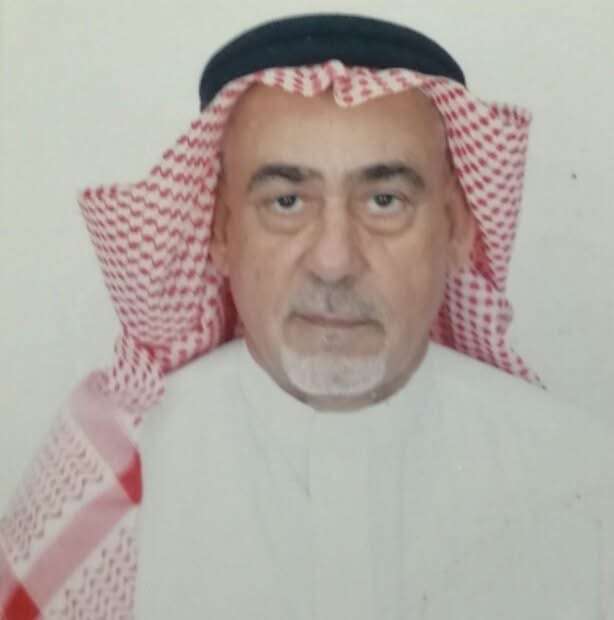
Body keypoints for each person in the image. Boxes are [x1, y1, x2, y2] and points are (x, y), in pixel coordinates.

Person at [1, 14, 613, 619]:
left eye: (384, 201)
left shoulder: (585, 479)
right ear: (221, 231)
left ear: (456, 229)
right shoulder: (120, 471)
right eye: (287, 202)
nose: (334, 261)